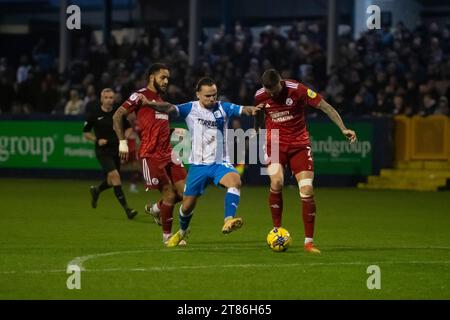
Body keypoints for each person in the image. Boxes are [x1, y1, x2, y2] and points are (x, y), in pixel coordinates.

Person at [137, 77, 262, 247]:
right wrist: (149, 104)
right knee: (186, 206)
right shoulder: (190, 108)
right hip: (198, 166)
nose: (212, 99)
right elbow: (168, 108)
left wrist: (252, 110)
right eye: (208, 96)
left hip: (219, 162)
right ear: (198, 94)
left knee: (236, 181)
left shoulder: (223, 107)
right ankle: (181, 231)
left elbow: (244, 109)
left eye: (214, 95)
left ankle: (228, 219)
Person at [254, 69, 357, 254]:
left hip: (299, 144)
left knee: (307, 189)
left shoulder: (298, 90)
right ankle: (277, 230)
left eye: (275, 90)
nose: (272, 94)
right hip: (275, 143)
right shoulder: (261, 95)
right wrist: (256, 129)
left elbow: (325, 106)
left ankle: (309, 242)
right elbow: (258, 114)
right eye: (268, 91)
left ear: (281, 82)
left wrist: (343, 128)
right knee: (277, 181)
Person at [113, 63, 187, 244]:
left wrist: (175, 131)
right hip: (150, 154)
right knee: (169, 194)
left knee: (185, 194)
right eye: (163, 77)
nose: (166, 81)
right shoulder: (139, 96)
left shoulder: (160, 100)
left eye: (168, 78)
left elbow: (158, 127)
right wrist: (122, 142)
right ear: (151, 77)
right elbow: (117, 115)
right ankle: (167, 237)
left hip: (168, 152)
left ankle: (155, 208)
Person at [83, 88, 138, 219]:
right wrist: (97, 139)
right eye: (106, 97)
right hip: (102, 151)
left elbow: (129, 127)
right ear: (101, 99)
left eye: (111, 97)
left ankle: (97, 190)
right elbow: (86, 133)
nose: (109, 100)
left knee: (111, 180)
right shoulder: (94, 114)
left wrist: (123, 139)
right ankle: (127, 210)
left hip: (116, 150)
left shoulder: (118, 113)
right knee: (116, 177)